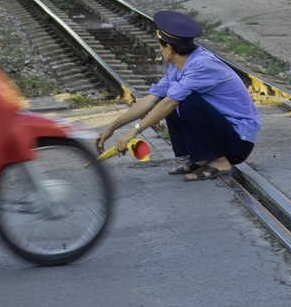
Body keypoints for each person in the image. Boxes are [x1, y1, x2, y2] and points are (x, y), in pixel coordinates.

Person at [94, 10, 261, 181]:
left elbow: (169, 103)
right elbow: (150, 99)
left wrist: (134, 131)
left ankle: (219, 161)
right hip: (224, 133)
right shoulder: (178, 66)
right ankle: (200, 158)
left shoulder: (201, 65)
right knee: (170, 99)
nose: (160, 50)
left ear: (169, 48)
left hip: (238, 141)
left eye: (160, 46)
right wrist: (112, 127)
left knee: (182, 101)